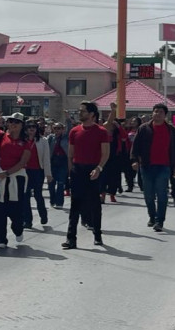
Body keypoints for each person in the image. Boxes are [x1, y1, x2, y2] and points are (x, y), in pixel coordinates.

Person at [62, 101, 110, 249]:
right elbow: (70, 154)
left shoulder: (101, 131)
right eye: (79, 110)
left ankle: (97, 234)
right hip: (78, 170)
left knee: (94, 204)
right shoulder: (74, 131)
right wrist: (71, 172)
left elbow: (105, 153)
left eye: (83, 111)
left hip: (94, 170)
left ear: (91, 114)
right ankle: (71, 238)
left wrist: (99, 168)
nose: (80, 113)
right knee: (75, 205)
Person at [131, 104, 175, 233]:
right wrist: (135, 160)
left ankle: (160, 221)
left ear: (165, 115)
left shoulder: (171, 130)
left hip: (164, 166)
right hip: (147, 166)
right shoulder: (144, 128)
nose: (157, 114)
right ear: (152, 113)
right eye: (155, 111)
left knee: (162, 194)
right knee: (148, 194)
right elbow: (135, 146)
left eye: (160, 112)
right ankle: (152, 216)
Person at [0, 114, 31, 249]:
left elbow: (23, 162)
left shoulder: (25, 143)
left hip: (16, 178)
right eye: (11, 121)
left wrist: (7, 173)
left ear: (22, 125)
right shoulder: (1, 136)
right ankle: (0, 239)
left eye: (17, 122)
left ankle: (18, 229)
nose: (13, 124)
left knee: (15, 209)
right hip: (0, 178)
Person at [22, 119, 49, 228]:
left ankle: (43, 215)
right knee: (25, 196)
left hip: (38, 171)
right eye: (29, 127)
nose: (31, 129)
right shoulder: (22, 141)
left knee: (38, 195)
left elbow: (46, 158)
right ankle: (28, 221)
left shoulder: (43, 141)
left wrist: (49, 174)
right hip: (25, 171)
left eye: (33, 127)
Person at [47, 121, 70, 208]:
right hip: (53, 161)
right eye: (55, 128)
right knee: (51, 183)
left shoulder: (65, 137)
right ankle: (52, 200)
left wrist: (67, 118)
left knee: (61, 183)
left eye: (59, 128)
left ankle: (59, 202)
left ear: (62, 129)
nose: (57, 130)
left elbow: (70, 129)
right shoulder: (50, 138)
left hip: (63, 162)